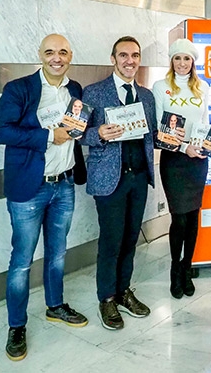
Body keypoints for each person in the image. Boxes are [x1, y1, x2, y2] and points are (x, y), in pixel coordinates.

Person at [0, 34, 88, 361]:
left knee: (57, 253)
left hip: (64, 185)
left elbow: (78, 128)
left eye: (62, 52)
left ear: (70, 56)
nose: (56, 57)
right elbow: (2, 132)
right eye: (50, 52)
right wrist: (49, 135)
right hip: (29, 188)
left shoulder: (75, 90)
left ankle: (55, 305)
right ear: (40, 55)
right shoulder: (18, 89)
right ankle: (16, 325)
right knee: (22, 262)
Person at [81, 36, 157, 330]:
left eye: (135, 55)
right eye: (123, 55)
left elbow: (152, 135)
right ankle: (107, 298)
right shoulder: (94, 92)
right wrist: (98, 133)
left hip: (138, 179)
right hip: (109, 179)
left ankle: (124, 290)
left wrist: (176, 140)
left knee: (130, 239)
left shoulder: (146, 96)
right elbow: (78, 133)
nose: (130, 61)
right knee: (111, 241)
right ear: (113, 59)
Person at [152, 38, 211, 299]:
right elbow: (159, 129)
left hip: (198, 160)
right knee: (179, 218)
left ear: (193, 61)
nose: (182, 63)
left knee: (194, 216)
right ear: (172, 60)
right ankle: (175, 269)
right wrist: (184, 147)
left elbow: (205, 122)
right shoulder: (161, 87)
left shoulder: (203, 87)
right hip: (173, 160)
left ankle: (188, 268)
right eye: (178, 58)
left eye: (187, 58)